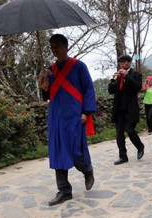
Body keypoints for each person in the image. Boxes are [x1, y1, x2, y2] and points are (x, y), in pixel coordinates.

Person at [39, 34, 97, 206]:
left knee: (75, 149)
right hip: (57, 115)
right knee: (57, 150)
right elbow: (47, 95)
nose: (54, 49)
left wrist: (86, 112)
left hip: (75, 115)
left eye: (57, 45)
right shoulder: (49, 70)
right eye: (51, 46)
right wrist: (44, 85)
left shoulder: (79, 66)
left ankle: (87, 170)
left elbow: (88, 89)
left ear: (66, 46)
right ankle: (64, 190)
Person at [108, 54, 144, 165]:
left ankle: (140, 146)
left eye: (125, 62)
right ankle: (123, 156)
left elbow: (137, 87)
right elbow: (111, 91)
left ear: (129, 63)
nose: (122, 65)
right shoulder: (117, 75)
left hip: (130, 108)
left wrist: (127, 76)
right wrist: (112, 81)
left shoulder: (136, 74)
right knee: (119, 134)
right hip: (119, 108)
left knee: (129, 130)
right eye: (121, 63)